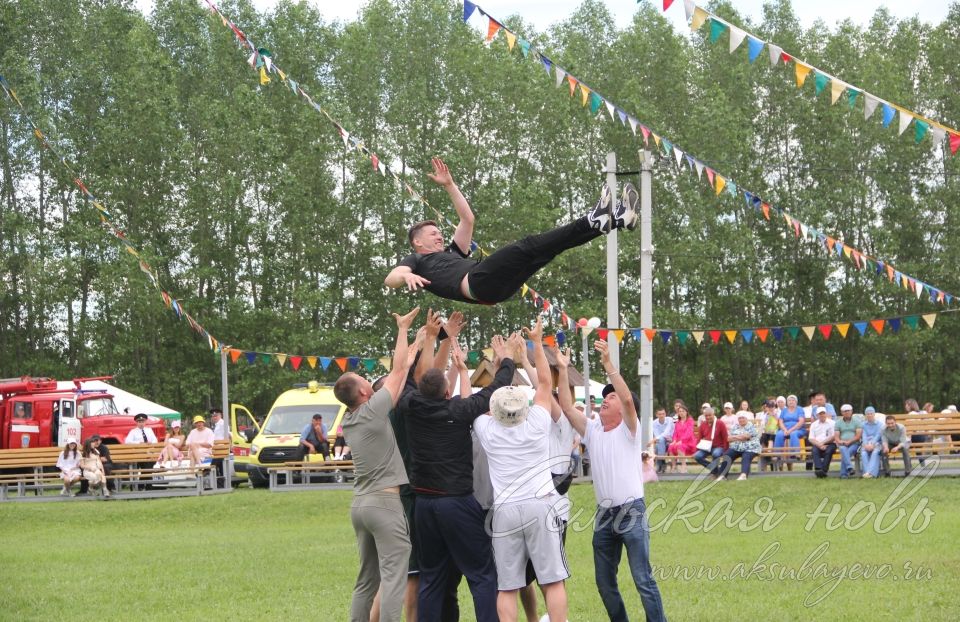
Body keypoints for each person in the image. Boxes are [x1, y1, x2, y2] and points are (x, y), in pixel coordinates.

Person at [384, 158, 638, 305]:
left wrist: (450, 185)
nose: (439, 235)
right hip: (478, 283)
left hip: (495, 290)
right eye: (433, 234)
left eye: (439, 232)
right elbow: (391, 278)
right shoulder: (417, 261)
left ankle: (617, 220)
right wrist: (405, 277)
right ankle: (593, 219)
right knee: (527, 245)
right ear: (417, 242)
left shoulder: (452, 252)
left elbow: (467, 219)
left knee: (548, 250)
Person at [398, 326, 520, 622]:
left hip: (424, 505)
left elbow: (403, 380)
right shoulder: (460, 409)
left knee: (431, 577)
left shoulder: (409, 405)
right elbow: (494, 391)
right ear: (445, 391)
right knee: (481, 574)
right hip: (457, 502)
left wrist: (422, 345)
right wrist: (506, 360)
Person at [555, 340, 666, 622]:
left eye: (612, 396)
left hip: (631, 511)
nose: (606, 398)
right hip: (604, 516)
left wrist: (608, 365)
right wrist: (562, 368)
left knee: (643, 579)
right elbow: (567, 407)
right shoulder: (593, 430)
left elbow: (629, 400)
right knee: (605, 584)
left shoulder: (630, 430)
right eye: (606, 396)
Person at [473, 318, 569, 622]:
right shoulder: (538, 422)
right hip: (540, 504)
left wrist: (502, 360)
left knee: (508, 586)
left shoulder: (485, 427)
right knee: (552, 580)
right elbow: (544, 382)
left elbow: (477, 402)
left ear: (495, 409)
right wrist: (536, 343)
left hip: (504, 510)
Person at [333, 307, 421, 622]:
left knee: (366, 581)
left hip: (360, 506)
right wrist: (402, 328)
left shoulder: (352, 420)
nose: (371, 383)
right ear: (361, 391)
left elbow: (399, 373)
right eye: (365, 381)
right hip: (384, 504)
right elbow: (398, 372)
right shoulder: (371, 410)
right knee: (395, 576)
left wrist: (408, 359)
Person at [722, 413, 761, 480]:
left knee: (746, 456)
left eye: (743, 418)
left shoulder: (752, 426)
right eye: (739, 418)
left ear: (747, 419)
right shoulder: (735, 426)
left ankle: (743, 475)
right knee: (727, 455)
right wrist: (739, 437)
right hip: (736, 448)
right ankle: (722, 476)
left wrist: (734, 437)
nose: (741, 419)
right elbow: (728, 439)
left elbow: (746, 436)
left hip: (750, 448)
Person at [694, 405, 729, 480]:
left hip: (719, 446)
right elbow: (699, 438)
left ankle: (714, 473)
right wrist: (696, 450)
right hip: (706, 447)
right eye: (706, 416)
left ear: (714, 414)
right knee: (697, 456)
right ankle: (716, 471)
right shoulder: (703, 424)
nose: (708, 417)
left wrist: (725, 450)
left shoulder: (720, 423)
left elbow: (725, 437)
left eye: (710, 415)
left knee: (716, 454)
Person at [774, 394, 806, 469]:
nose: (791, 402)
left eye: (793, 400)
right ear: (787, 402)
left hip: (798, 429)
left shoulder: (800, 409)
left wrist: (791, 430)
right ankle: (777, 455)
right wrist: (785, 430)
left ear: (796, 402)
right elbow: (780, 422)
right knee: (779, 434)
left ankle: (795, 454)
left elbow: (801, 422)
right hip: (785, 429)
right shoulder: (784, 410)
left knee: (793, 434)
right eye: (789, 400)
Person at [834, 404, 862, 479]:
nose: (846, 412)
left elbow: (858, 436)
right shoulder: (838, 422)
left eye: (848, 411)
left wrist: (849, 441)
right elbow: (836, 437)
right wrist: (840, 441)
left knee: (846, 453)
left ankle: (843, 474)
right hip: (842, 443)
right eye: (844, 411)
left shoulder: (857, 421)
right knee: (843, 449)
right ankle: (849, 468)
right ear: (841, 412)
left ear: (851, 411)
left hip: (854, 443)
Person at [808, 407, 836, 478]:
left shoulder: (832, 423)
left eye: (823, 413)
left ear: (826, 414)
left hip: (830, 443)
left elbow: (833, 437)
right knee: (814, 450)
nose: (822, 415)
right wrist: (819, 445)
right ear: (817, 415)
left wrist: (822, 443)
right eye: (820, 414)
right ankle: (819, 469)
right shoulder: (814, 424)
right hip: (817, 444)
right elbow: (811, 438)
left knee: (828, 451)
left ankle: (823, 470)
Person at [667, 403, 695, 473]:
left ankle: (684, 466)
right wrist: (674, 441)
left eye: (683, 411)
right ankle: (674, 466)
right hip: (678, 442)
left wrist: (681, 441)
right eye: (680, 411)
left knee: (680, 446)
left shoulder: (690, 420)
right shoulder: (677, 422)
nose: (681, 413)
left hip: (688, 443)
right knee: (671, 446)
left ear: (686, 412)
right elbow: (675, 433)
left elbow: (689, 433)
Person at [648, 408, 674, 474]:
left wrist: (653, 440)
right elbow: (658, 435)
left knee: (658, 444)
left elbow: (666, 432)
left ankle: (660, 465)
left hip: (671, 441)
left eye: (663, 414)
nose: (662, 415)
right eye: (660, 414)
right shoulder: (654, 423)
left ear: (665, 414)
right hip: (660, 442)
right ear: (656, 415)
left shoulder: (670, 420)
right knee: (659, 442)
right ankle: (662, 464)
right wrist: (656, 439)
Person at [860, 407, 884, 478]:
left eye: (871, 413)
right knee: (863, 453)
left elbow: (878, 435)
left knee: (875, 452)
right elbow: (863, 435)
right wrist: (866, 444)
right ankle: (870, 474)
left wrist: (872, 444)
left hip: (877, 443)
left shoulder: (880, 424)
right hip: (866, 444)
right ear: (865, 415)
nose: (869, 415)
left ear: (874, 414)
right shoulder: (863, 424)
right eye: (867, 414)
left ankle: (868, 472)